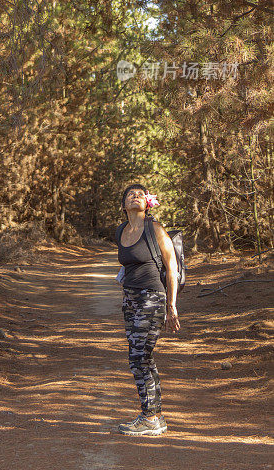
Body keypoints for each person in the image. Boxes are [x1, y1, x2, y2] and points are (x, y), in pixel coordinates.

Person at [115, 183, 180, 436]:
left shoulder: (154, 228)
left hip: (152, 298)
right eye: (130, 194)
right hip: (129, 299)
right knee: (142, 357)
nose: (135, 196)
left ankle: (149, 417)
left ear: (147, 203)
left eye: (141, 194)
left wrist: (171, 306)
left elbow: (171, 266)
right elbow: (127, 263)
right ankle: (156, 415)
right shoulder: (121, 230)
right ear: (124, 205)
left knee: (138, 357)